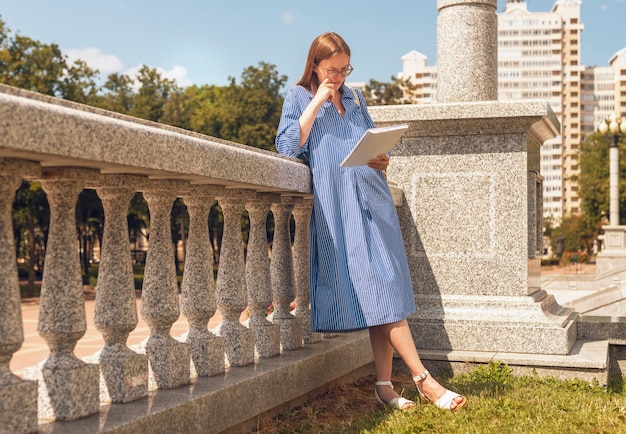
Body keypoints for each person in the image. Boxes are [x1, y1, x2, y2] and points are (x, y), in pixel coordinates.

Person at [275, 32, 466, 412]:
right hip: (338, 211)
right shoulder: (298, 97)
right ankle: (423, 380)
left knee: (385, 293)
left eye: (345, 69)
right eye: (332, 69)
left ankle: (384, 386)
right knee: (380, 293)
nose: (340, 76)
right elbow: (287, 146)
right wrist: (317, 99)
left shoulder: (356, 98)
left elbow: (373, 146)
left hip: (374, 203)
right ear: (315, 65)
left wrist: (382, 158)